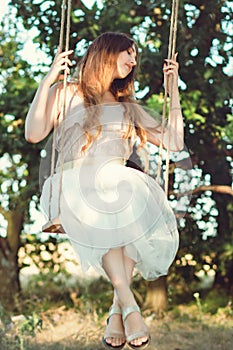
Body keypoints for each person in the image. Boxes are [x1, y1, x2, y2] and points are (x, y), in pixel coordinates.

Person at [25, 32, 184, 349]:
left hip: (116, 183)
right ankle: (130, 306)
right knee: (113, 202)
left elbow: (174, 142)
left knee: (126, 202)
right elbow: (33, 133)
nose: (133, 61)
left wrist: (173, 90)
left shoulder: (127, 107)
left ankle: (117, 312)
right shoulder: (67, 93)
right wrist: (47, 80)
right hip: (76, 184)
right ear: (108, 53)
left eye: (135, 56)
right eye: (129, 52)